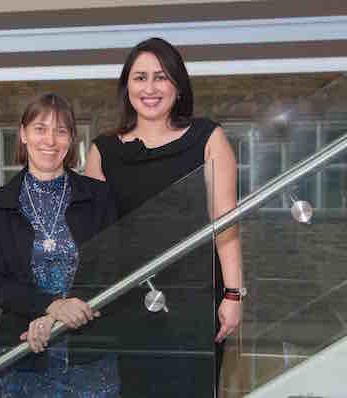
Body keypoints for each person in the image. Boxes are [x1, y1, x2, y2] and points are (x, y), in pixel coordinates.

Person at [84, 38, 244, 395]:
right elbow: (94, 237)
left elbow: (226, 220)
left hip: (194, 303)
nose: (150, 88)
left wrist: (233, 294)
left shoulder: (207, 137)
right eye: (140, 77)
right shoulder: (103, 150)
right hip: (124, 304)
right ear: (127, 87)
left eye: (161, 77)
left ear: (178, 84)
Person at [0, 93, 120, 397]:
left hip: (91, 358)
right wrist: (52, 306)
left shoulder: (99, 198)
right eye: (40, 128)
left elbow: (111, 268)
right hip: (23, 357)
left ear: (71, 139)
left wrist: (54, 317)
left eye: (61, 131)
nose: (50, 140)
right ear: (23, 134)